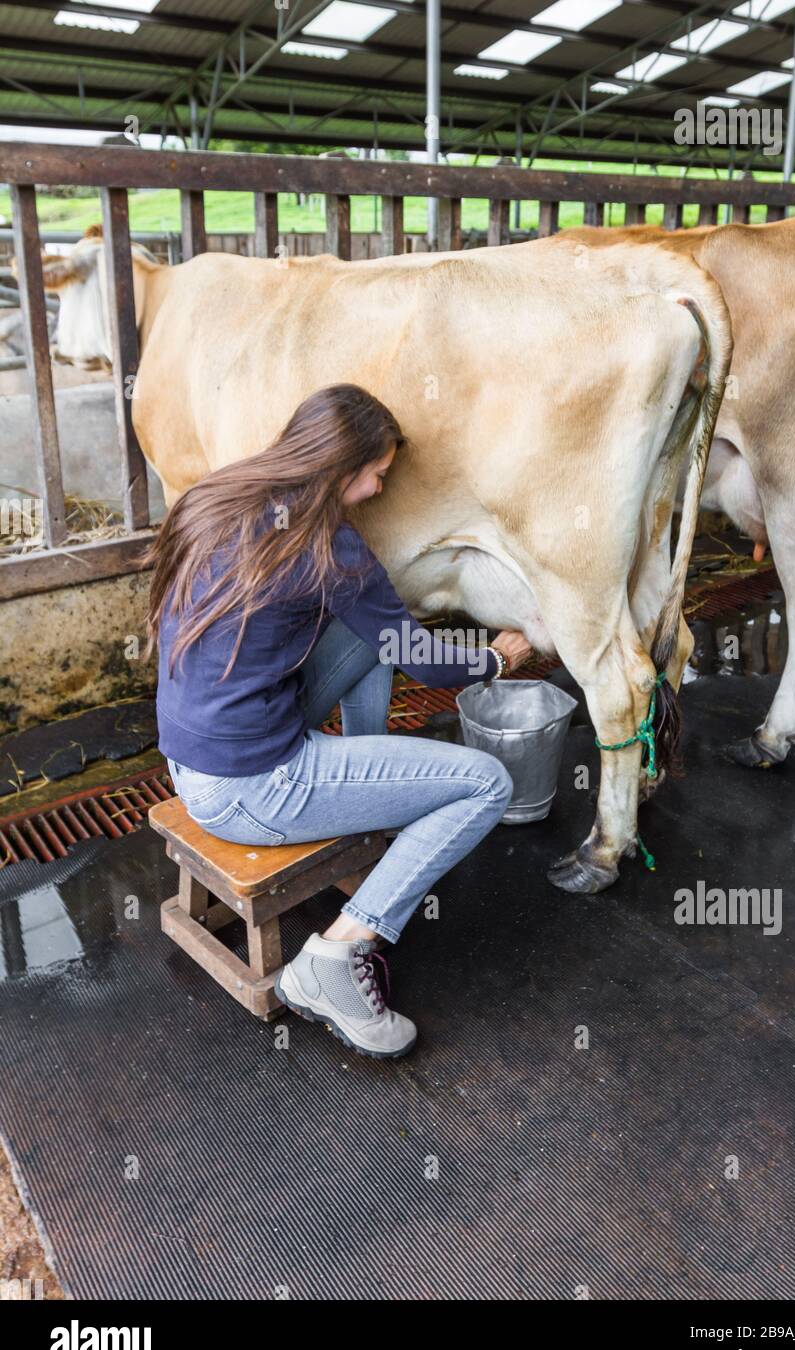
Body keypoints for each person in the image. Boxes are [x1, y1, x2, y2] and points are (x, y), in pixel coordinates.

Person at [146, 383, 532, 1061]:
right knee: (486, 785)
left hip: (190, 753)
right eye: (377, 475)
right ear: (344, 466)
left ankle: (362, 790)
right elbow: (431, 665)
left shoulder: (216, 496)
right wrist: (496, 662)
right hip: (253, 788)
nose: (380, 490)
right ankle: (336, 957)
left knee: (370, 633)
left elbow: (387, 641)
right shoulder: (333, 551)